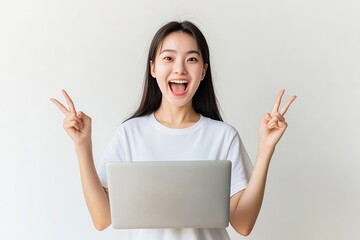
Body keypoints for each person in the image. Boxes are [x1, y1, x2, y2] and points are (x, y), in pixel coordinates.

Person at [51, 21, 296, 240]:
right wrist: (82, 146)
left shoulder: (223, 135)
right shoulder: (130, 134)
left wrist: (265, 150)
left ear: (203, 72)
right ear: (153, 68)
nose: (180, 69)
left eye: (191, 59)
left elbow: (242, 224)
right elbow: (102, 218)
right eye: (169, 58)